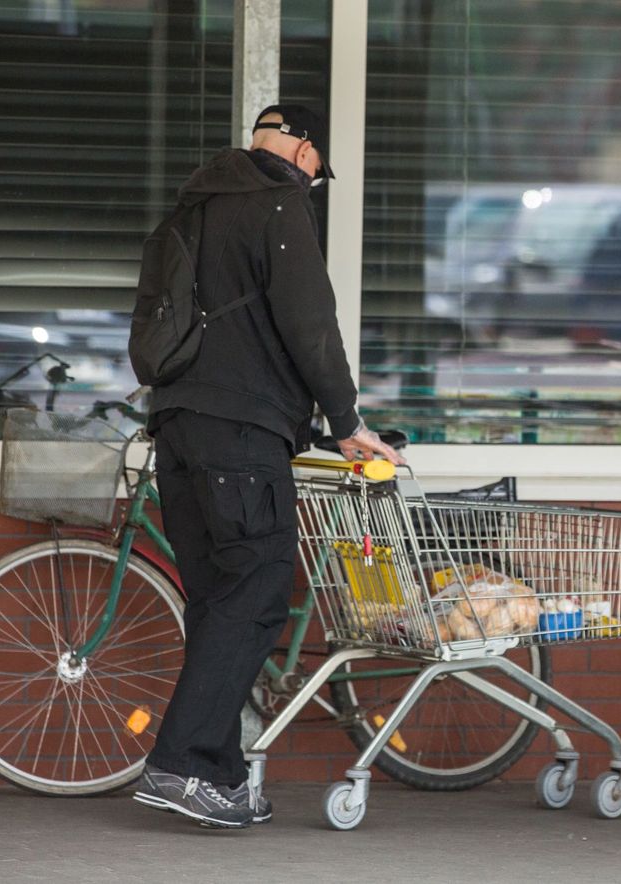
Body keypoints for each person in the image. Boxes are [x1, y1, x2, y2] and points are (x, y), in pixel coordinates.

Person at [132, 104, 405, 829]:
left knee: (220, 604)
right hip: (238, 440)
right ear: (303, 149)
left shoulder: (192, 207)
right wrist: (346, 423)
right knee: (255, 596)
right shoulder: (279, 203)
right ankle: (181, 766)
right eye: (318, 167)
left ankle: (214, 778)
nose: (315, 181)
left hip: (179, 427)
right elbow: (308, 322)